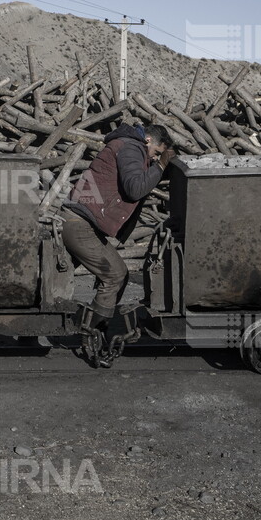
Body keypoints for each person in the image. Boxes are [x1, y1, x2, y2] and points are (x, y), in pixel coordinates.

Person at [60, 123, 175, 367]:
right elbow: (135, 188)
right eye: (156, 152)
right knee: (114, 275)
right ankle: (90, 335)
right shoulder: (132, 148)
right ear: (148, 141)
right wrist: (161, 166)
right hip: (79, 224)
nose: (154, 157)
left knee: (118, 274)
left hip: (82, 223)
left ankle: (96, 328)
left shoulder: (128, 146)